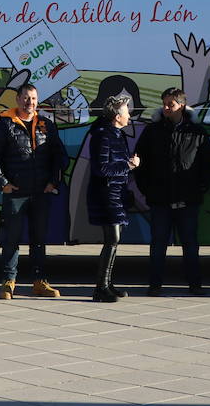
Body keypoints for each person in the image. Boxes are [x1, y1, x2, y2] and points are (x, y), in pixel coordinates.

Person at [0, 82, 69, 300]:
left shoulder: (46, 125)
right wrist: (3, 184)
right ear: (17, 99)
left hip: (41, 192)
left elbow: (60, 157)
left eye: (33, 98)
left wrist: (53, 182)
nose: (29, 102)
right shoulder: (4, 125)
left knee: (39, 239)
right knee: (11, 239)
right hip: (16, 193)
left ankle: (40, 282)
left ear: (37, 101)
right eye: (25, 98)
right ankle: (8, 282)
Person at [134, 87, 210, 296]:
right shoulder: (152, 131)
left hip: (188, 200)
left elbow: (208, 163)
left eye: (171, 104)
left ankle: (195, 284)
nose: (166, 108)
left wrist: (201, 188)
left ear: (182, 105)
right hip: (160, 200)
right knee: (158, 244)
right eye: (164, 104)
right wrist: (147, 190)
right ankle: (155, 285)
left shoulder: (196, 131)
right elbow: (140, 162)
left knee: (190, 244)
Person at [86, 95, 141, 302]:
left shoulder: (117, 134)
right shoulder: (103, 135)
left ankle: (108, 284)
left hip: (117, 194)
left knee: (114, 241)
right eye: (127, 110)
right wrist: (128, 166)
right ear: (117, 116)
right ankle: (100, 288)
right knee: (112, 240)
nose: (129, 115)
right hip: (107, 195)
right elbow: (101, 168)